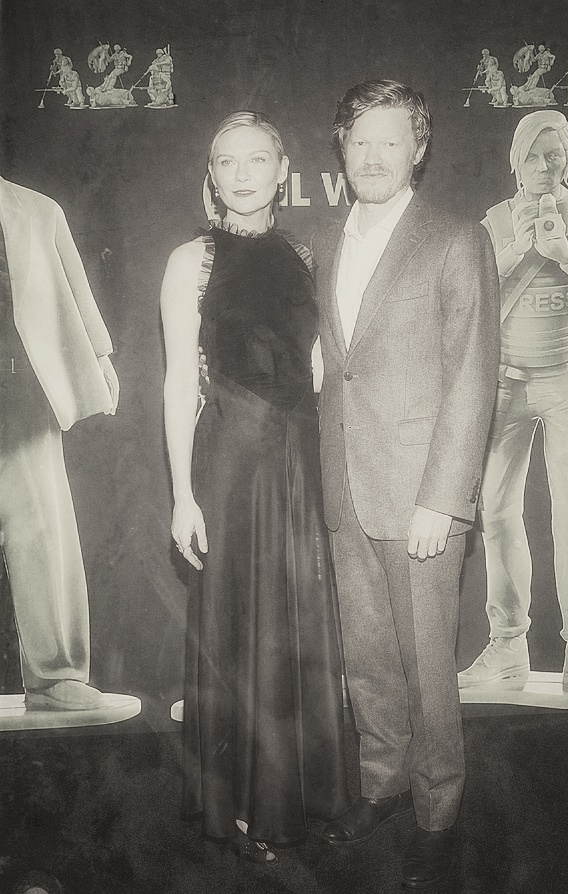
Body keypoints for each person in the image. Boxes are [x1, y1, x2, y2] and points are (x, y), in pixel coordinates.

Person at [313, 80, 500, 889]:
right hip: (345, 488)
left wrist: (443, 498)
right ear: (341, 147)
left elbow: (473, 376)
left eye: (390, 140)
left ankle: (437, 814)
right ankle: (383, 785)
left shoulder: (455, 239)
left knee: (428, 672)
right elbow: (342, 368)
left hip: (421, 495)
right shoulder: (328, 241)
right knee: (368, 662)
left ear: (418, 149)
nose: (372, 155)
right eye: (360, 140)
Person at [160, 111, 348, 864]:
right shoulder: (192, 260)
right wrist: (183, 494)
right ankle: (239, 803)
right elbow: (179, 380)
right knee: (240, 628)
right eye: (226, 161)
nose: (241, 174)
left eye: (257, 159)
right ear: (211, 175)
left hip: (302, 460)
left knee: (298, 628)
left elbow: (321, 369)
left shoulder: (306, 252)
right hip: (232, 463)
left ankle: (298, 795)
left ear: (282, 170)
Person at [458, 111, 568, 693]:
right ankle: (508, 645)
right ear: (515, 160)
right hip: (505, 379)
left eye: (554, 154)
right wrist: (518, 249)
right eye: (532, 154)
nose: (544, 165)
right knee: (498, 511)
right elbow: (473, 297)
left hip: (566, 376)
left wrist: (566, 254)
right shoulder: (496, 221)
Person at [0, 176, 119, 710]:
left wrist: (99, 355)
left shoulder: (36, 208)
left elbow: (71, 286)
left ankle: (55, 676)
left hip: (19, 390)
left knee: (43, 531)